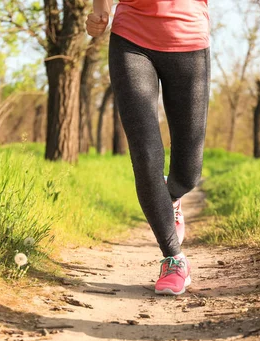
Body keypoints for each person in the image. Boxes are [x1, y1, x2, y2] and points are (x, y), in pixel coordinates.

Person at [86, 0, 210, 296]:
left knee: (189, 171)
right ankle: (173, 258)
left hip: (189, 38)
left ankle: (173, 195)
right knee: (145, 154)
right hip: (131, 40)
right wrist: (99, 9)